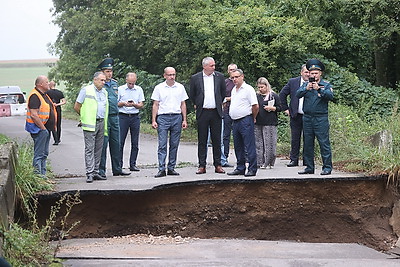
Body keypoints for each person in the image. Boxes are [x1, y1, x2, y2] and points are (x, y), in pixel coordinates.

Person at [296, 59, 334, 175]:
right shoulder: (305, 85)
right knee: (307, 143)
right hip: (307, 118)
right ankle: (309, 167)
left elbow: (330, 96)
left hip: (320, 118)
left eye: (316, 73)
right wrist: (306, 88)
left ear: (320, 73)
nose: (313, 75)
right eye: (311, 73)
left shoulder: (326, 85)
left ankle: (327, 167)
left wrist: (319, 89)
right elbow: (297, 94)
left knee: (324, 143)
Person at [189, 57, 226, 175]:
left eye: (214, 65)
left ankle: (218, 164)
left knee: (216, 139)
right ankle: (202, 165)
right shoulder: (196, 78)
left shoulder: (219, 77)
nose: (214, 68)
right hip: (203, 112)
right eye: (211, 66)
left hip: (216, 112)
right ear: (204, 66)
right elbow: (192, 94)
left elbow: (223, 92)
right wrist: (198, 104)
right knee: (202, 139)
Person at [151, 67, 188, 177]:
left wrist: (184, 119)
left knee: (174, 144)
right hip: (163, 117)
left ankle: (171, 167)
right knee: (162, 144)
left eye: (173, 75)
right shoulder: (159, 88)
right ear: (165, 76)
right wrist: (154, 120)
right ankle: (161, 168)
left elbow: (183, 104)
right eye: (170, 75)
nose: (172, 77)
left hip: (176, 117)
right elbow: (155, 104)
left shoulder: (180, 87)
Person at [97, 57, 130, 177]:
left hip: (115, 116)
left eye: (111, 71)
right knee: (103, 144)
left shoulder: (115, 83)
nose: (110, 73)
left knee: (116, 143)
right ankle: (101, 170)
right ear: (102, 72)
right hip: (104, 118)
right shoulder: (99, 84)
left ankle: (117, 168)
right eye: (107, 71)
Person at [74, 72, 109, 183]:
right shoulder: (86, 90)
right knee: (90, 149)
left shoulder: (104, 92)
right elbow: (77, 106)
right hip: (90, 123)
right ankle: (89, 173)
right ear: (95, 80)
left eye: (104, 80)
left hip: (101, 122)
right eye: (101, 80)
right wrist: (84, 117)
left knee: (99, 148)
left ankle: (95, 172)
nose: (104, 82)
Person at [227, 69, 259, 177]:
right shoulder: (234, 90)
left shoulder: (248, 89)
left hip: (246, 119)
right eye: (232, 77)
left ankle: (252, 168)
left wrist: (252, 118)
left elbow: (255, 106)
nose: (234, 79)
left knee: (249, 145)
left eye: (236, 77)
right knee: (238, 145)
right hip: (235, 121)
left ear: (242, 77)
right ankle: (240, 167)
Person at [25, 75, 56, 176]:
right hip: (38, 129)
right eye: (47, 82)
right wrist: (43, 129)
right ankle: (38, 176)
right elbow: (34, 115)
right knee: (39, 155)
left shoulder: (43, 94)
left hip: (45, 129)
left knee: (44, 154)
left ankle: (43, 175)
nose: (49, 84)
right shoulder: (35, 96)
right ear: (40, 84)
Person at [279, 64, 309, 167]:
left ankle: (307, 160)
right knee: (295, 138)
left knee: (308, 139)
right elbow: (282, 94)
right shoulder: (293, 82)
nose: (308, 74)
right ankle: (294, 159)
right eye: (306, 72)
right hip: (296, 115)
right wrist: (285, 109)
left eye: (309, 72)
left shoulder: (314, 83)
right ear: (301, 72)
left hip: (309, 116)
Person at [118, 72, 144, 172]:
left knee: (135, 142)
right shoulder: (120, 89)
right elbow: (116, 103)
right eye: (130, 83)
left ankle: (133, 164)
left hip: (134, 117)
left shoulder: (139, 89)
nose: (131, 85)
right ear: (126, 81)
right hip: (123, 116)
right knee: (120, 142)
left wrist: (135, 105)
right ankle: (119, 165)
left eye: (133, 83)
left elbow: (141, 104)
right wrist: (124, 103)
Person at [255, 77, 282, 169]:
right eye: (259, 87)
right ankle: (259, 162)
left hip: (270, 122)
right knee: (258, 143)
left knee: (269, 143)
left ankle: (269, 162)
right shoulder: (256, 96)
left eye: (262, 87)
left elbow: (280, 108)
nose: (260, 89)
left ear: (267, 86)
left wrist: (273, 108)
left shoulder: (273, 95)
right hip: (258, 121)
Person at [221, 63, 237, 167]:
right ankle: (224, 158)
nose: (232, 71)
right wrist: (228, 98)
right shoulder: (224, 83)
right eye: (230, 70)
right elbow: (221, 96)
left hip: (238, 112)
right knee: (225, 136)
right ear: (228, 71)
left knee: (238, 136)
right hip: (226, 112)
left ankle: (243, 157)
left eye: (234, 70)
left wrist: (230, 98)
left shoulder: (240, 83)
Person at [47, 80, 66, 145]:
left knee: (53, 124)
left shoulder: (47, 93)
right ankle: (58, 138)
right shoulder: (59, 92)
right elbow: (64, 101)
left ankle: (56, 140)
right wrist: (57, 104)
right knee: (58, 124)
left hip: (51, 110)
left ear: (50, 85)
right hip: (58, 109)